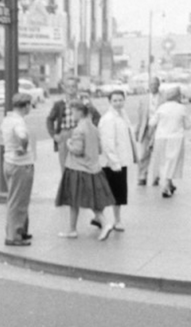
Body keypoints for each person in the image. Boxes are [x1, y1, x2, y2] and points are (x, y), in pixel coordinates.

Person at [55, 100, 116, 240]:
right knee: (81, 200)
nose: (72, 115)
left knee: (78, 200)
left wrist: (68, 144)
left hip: (77, 169)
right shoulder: (94, 128)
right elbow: (99, 149)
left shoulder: (78, 130)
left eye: (73, 112)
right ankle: (72, 229)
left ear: (79, 112)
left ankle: (104, 223)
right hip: (93, 168)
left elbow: (77, 150)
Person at [98, 90, 138, 231]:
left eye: (120, 100)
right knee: (109, 192)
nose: (118, 103)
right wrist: (115, 162)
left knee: (118, 193)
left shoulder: (122, 116)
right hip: (111, 163)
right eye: (115, 100)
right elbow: (108, 142)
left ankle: (116, 220)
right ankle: (102, 218)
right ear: (110, 102)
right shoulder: (109, 119)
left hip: (121, 160)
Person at [1, 93, 35, 246]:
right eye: (30, 105)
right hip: (21, 165)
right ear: (26, 106)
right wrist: (23, 147)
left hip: (9, 162)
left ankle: (20, 229)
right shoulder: (18, 122)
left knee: (15, 198)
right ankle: (13, 236)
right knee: (18, 202)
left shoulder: (7, 119)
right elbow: (22, 136)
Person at [47, 77, 101, 171]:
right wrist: (54, 135)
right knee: (65, 164)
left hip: (81, 133)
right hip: (65, 134)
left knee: (82, 162)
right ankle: (66, 180)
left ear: (77, 87)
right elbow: (50, 119)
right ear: (64, 88)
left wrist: (91, 129)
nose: (71, 88)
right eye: (68, 86)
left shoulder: (84, 102)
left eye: (73, 86)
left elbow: (96, 116)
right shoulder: (59, 104)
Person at [148, 86, 191, 198]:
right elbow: (188, 125)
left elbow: (152, 123)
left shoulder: (161, 107)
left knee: (163, 162)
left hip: (160, 137)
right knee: (172, 161)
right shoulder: (181, 108)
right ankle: (166, 185)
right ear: (178, 96)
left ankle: (169, 184)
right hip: (175, 138)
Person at [135, 77, 162, 186]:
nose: (153, 86)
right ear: (148, 86)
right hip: (146, 129)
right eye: (151, 84)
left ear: (159, 85)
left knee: (158, 155)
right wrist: (137, 130)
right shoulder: (144, 99)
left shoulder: (163, 98)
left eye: (155, 84)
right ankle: (142, 176)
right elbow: (140, 116)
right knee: (143, 155)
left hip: (159, 129)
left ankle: (156, 177)